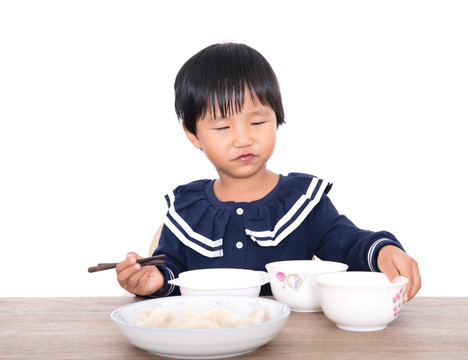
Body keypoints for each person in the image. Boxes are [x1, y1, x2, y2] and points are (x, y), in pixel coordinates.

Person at [116, 42, 421, 301]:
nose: (243, 138)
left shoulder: (302, 202)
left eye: (258, 122)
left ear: (277, 116)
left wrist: (383, 251)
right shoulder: (186, 209)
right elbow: (169, 268)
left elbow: (349, 244)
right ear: (193, 134)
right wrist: (151, 280)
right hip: (204, 341)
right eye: (222, 126)